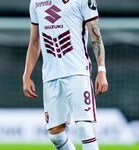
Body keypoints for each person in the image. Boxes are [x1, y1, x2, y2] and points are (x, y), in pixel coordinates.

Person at [23, 0, 108, 149]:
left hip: (78, 71)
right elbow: (35, 42)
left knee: (83, 126)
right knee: (56, 136)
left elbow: (96, 37)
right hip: (51, 74)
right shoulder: (36, 2)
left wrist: (102, 70)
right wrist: (26, 75)